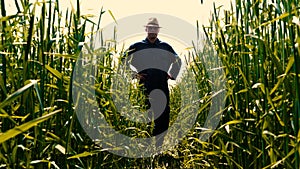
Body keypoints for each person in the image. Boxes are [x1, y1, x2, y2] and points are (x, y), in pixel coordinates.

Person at [125, 17, 181, 148]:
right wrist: (134, 75)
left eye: (155, 29)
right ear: (146, 29)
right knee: (145, 113)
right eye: (150, 28)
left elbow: (177, 60)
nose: (152, 31)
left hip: (162, 85)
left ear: (158, 31)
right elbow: (123, 60)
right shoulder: (137, 46)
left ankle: (158, 146)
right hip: (144, 86)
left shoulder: (165, 46)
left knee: (163, 115)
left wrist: (172, 75)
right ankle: (145, 145)